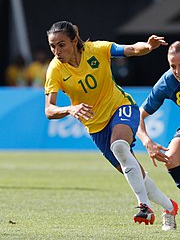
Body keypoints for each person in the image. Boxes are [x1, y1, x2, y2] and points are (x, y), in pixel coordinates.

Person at [44, 21, 178, 230]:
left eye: (61, 45)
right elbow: (49, 110)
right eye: (52, 46)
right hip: (96, 127)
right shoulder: (55, 70)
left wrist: (148, 47)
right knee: (135, 173)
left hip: (121, 107)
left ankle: (144, 205)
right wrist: (70, 109)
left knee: (119, 146)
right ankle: (170, 207)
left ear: (74, 41)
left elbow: (131, 49)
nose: (56, 51)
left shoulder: (97, 49)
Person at [137, 41, 180, 191]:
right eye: (172, 66)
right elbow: (138, 116)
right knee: (171, 157)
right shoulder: (167, 82)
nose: (177, 72)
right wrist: (148, 142)